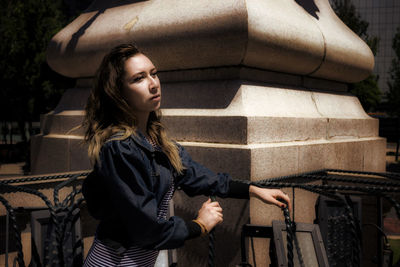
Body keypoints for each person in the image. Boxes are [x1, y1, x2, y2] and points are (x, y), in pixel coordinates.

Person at [82, 43, 290, 266]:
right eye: (139, 78)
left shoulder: (158, 144)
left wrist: (252, 189)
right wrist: (199, 225)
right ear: (118, 92)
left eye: (154, 74)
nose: (153, 84)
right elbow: (148, 229)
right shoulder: (120, 148)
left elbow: (198, 176)